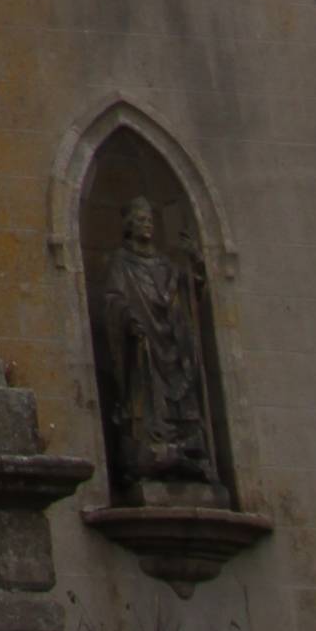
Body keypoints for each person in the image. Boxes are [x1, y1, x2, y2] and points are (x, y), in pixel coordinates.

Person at [99, 195, 220, 494]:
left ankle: (189, 450)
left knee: (183, 394)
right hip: (143, 346)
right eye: (141, 220)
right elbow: (113, 300)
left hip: (173, 346)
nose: (147, 225)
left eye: (150, 220)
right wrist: (128, 319)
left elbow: (189, 290)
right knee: (146, 394)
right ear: (129, 225)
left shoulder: (166, 265)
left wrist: (196, 261)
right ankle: (150, 449)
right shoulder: (120, 263)